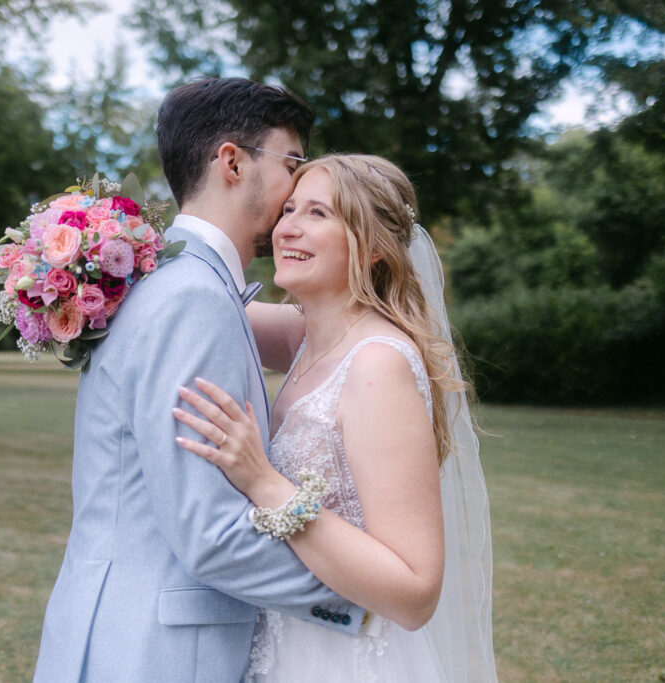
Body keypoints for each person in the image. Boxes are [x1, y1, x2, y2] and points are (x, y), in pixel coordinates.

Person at [33, 78, 366, 683]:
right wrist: (364, 599)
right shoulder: (193, 298)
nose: (299, 183)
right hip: (155, 654)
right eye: (292, 162)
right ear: (232, 162)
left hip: (119, 630)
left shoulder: (172, 281)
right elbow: (210, 534)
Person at [173, 154, 497, 682]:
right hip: (283, 646)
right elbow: (193, 295)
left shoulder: (377, 363)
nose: (287, 228)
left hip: (345, 661)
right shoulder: (309, 336)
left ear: (372, 248)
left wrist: (266, 484)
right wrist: (98, 258)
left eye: (318, 214)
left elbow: (415, 593)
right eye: (289, 209)